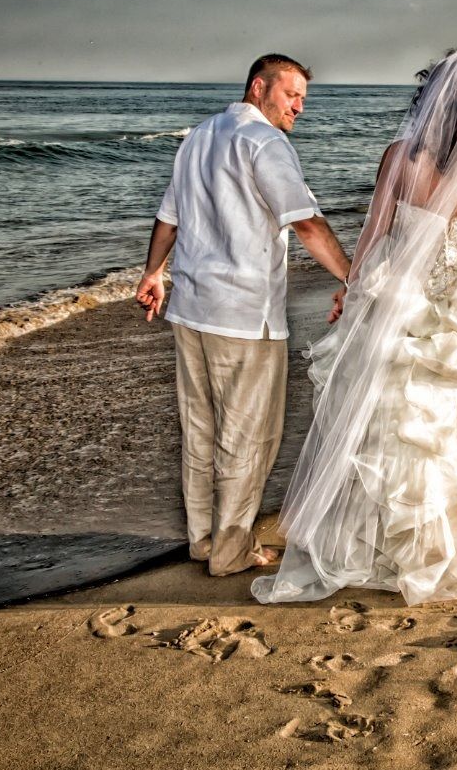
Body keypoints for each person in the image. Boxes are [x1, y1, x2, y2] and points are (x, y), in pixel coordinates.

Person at [252, 50, 457, 606]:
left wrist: (351, 286)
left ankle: (396, 538)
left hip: (408, 301)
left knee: (398, 423)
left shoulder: (400, 157)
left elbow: (375, 233)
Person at [136, 54, 351, 577]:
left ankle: (204, 541)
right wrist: (354, 278)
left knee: (200, 430)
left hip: (190, 308)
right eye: (291, 94)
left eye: (303, 98)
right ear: (260, 87)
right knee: (248, 437)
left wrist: (152, 274)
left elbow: (169, 218)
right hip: (243, 315)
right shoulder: (265, 142)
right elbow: (307, 225)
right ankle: (231, 553)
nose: (299, 106)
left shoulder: (199, 136)